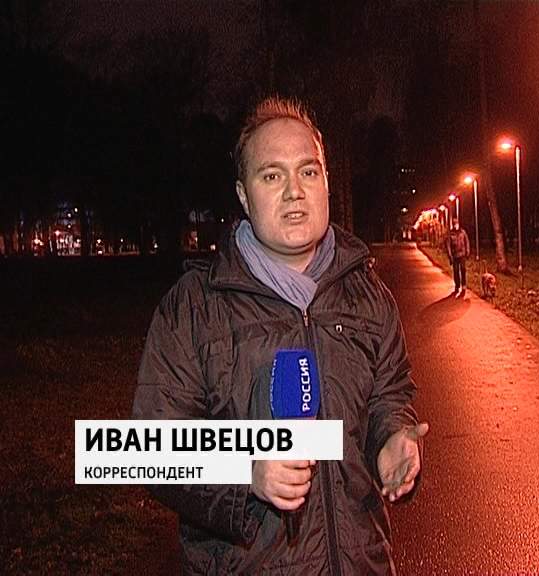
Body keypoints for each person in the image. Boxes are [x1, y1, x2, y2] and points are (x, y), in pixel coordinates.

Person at [132, 97, 428, 575]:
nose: (294, 191)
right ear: (243, 196)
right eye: (272, 176)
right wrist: (244, 472)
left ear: (326, 182)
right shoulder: (193, 308)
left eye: (308, 172)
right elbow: (151, 449)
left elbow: (388, 394)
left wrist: (392, 437)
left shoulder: (369, 294)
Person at [446, 218, 470, 296]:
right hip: (455, 255)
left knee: (463, 270)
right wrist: (450, 255)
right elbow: (448, 245)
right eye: (454, 224)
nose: (455, 225)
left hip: (462, 254)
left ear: (458, 224)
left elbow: (467, 242)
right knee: (456, 271)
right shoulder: (450, 234)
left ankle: (464, 285)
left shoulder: (463, 232)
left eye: (456, 223)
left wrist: (467, 251)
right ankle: (457, 285)